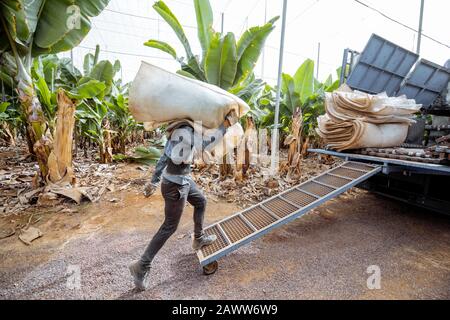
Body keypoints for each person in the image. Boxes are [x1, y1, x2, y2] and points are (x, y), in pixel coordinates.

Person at [129, 110, 239, 290]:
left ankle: (199, 238)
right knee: (169, 226)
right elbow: (205, 144)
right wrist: (225, 125)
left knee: (201, 201)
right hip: (175, 187)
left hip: (183, 181)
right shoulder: (186, 131)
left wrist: (154, 180)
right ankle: (142, 265)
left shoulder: (179, 129)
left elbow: (164, 157)